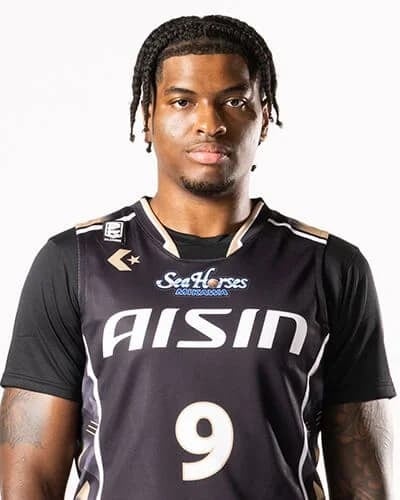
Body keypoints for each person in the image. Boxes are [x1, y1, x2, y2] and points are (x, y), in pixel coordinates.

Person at [0, 14, 396, 500]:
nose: (210, 123)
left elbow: (364, 483)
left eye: (234, 100)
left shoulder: (329, 266)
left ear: (264, 117)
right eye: (182, 101)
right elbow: (30, 479)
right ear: (148, 117)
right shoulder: (75, 262)